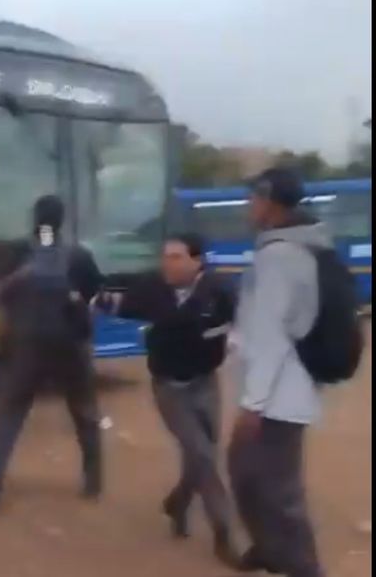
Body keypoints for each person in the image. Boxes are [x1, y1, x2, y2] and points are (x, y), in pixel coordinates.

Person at [98, 233, 241, 568]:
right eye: (165, 256)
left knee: (203, 452)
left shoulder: (220, 292)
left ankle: (177, 503)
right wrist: (86, 295)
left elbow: (241, 326)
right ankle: (224, 536)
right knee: (204, 456)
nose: (167, 264)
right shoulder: (152, 288)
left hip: (206, 383)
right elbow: (118, 304)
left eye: (176, 257)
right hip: (169, 388)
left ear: (197, 261)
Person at [0, 194, 104, 513]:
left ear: (35, 218)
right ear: (62, 220)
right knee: (84, 413)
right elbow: (94, 292)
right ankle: (94, 480)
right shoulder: (78, 255)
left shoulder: (17, 253)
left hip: (25, 348)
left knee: (7, 414)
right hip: (70, 346)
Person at [229, 167, 329, 577]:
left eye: (254, 197)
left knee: (282, 494)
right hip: (279, 388)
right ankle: (269, 549)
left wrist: (253, 405)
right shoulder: (286, 247)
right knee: (245, 472)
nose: (249, 205)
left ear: (270, 202)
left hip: (279, 397)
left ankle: (305, 568)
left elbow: (270, 336)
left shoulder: (280, 256)